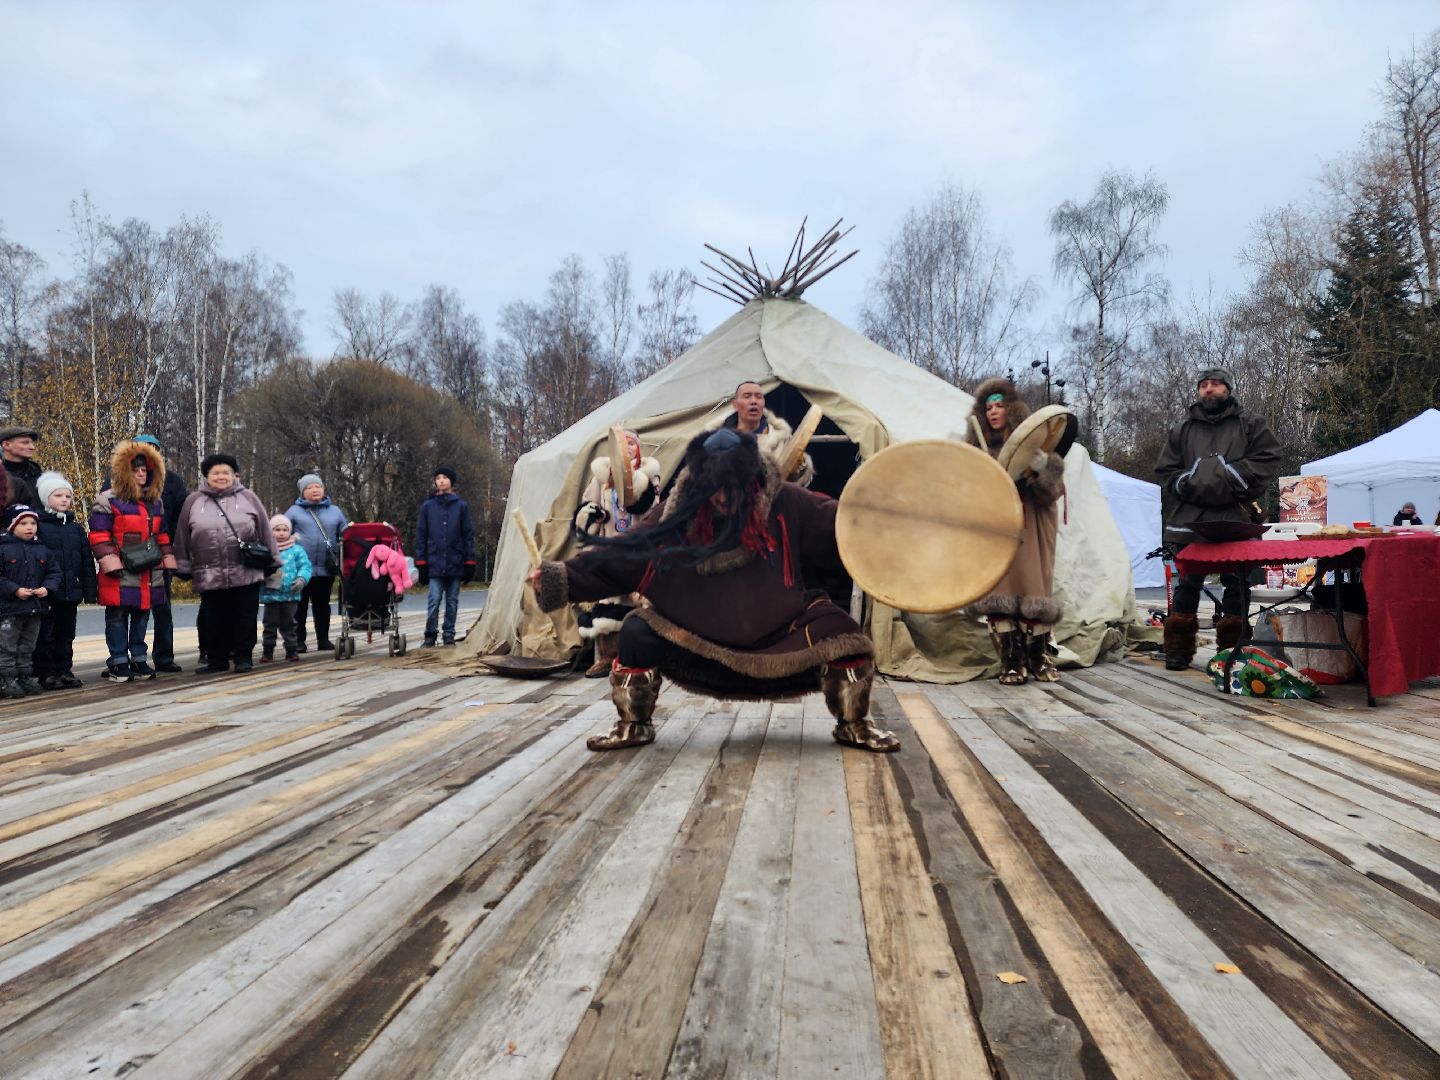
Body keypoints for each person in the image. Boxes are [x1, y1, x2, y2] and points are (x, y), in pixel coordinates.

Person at [531, 427, 898, 753]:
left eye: (733, 484)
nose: (724, 496)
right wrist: (558, 577)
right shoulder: (675, 516)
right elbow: (618, 557)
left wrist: (895, 527)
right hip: (700, 642)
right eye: (715, 487)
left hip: (781, 635)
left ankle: (854, 724)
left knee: (845, 634)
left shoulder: (786, 501)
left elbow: (844, 526)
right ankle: (634, 723)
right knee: (637, 631)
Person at [1155, 368, 1282, 670]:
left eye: (1215, 384)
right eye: (1203, 385)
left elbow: (1268, 457)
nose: (1208, 390)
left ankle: (1233, 651)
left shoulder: (1250, 424)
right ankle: (1178, 650)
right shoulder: (1182, 429)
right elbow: (1166, 471)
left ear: (1227, 388)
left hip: (1235, 514)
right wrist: (1191, 481)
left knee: (1237, 584)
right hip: (1192, 517)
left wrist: (1229, 476)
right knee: (1188, 583)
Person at [962, 377, 1066, 684]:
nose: (994, 412)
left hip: (1031, 526)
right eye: (989, 407)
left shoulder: (1039, 449)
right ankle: (1011, 662)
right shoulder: (975, 452)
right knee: (1000, 594)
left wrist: (1042, 468)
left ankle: (1038, 658)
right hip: (996, 531)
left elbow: (1053, 492)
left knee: (1034, 591)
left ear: (1013, 409)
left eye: (1001, 406)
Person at [172, 453, 278, 675]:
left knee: (244, 616)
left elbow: (265, 530)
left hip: (245, 571)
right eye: (215, 473)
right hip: (209, 573)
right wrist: (181, 564)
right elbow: (182, 533)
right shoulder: (194, 501)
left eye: (225, 472)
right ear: (207, 476)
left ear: (234, 475)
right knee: (213, 618)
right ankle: (216, 659)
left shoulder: (248, 497)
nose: (221, 476)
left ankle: (243, 658)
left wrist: (272, 560)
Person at [574, 429, 664, 676]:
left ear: (639, 448)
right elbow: (586, 509)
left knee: (640, 602)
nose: (629, 449)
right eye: (623, 446)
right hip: (610, 545)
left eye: (633, 445)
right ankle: (607, 657)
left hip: (638, 546)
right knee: (608, 602)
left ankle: (642, 657)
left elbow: (650, 508)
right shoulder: (601, 478)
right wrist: (596, 514)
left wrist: (631, 481)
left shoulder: (649, 476)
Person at [88, 440, 177, 682]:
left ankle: (138, 658)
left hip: (149, 569)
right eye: (136, 470)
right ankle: (118, 661)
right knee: (117, 615)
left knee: (142, 615)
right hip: (121, 568)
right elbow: (98, 535)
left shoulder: (154, 502)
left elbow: (162, 534)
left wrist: (168, 559)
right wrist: (111, 562)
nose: (141, 474)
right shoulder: (108, 499)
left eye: (145, 471)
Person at [132, 434, 190, 673]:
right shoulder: (118, 478)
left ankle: (164, 656)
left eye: (152, 449)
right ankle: (124, 659)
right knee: (127, 608)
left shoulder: (173, 482)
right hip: (129, 553)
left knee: (162, 606)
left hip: (160, 550)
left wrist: (172, 550)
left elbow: (181, 517)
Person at [35, 471, 97, 690]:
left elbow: (86, 560)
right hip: (49, 592)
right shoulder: (39, 527)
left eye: (67, 496)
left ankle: (65, 669)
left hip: (71, 591)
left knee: (66, 633)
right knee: (46, 634)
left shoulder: (75, 528)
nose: (64, 500)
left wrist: (90, 590)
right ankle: (47, 673)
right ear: (45, 498)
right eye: (58, 495)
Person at [0, 504, 60, 697]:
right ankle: (7, 679)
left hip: (35, 607)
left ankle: (25, 676)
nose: (29, 527)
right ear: (11, 526)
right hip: (9, 610)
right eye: (23, 523)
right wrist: (15, 590)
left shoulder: (41, 549)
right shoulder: (3, 548)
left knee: (28, 645)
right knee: (7, 646)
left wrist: (47, 588)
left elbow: (54, 572)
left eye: (33, 523)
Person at [704, 380, 814, 485]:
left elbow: (798, 480)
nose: (753, 401)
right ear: (735, 405)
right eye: (747, 396)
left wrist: (799, 468)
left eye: (758, 397)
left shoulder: (781, 437)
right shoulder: (716, 441)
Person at [285, 473, 348, 654]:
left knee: (322, 605)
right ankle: (299, 641)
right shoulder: (293, 512)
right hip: (300, 569)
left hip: (326, 568)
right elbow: (281, 533)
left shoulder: (335, 511)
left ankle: (323, 639)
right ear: (303, 492)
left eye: (317, 486)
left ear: (323, 489)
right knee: (299, 606)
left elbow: (344, 535)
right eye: (309, 488)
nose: (314, 490)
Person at [415, 466, 476, 647]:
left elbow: (468, 535)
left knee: (452, 601)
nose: (441, 480)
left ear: (451, 481)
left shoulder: (461, 507)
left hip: (455, 562)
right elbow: (421, 534)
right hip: (434, 562)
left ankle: (448, 633)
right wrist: (421, 562)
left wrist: (469, 561)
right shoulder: (428, 506)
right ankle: (430, 634)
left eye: (445, 477)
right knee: (433, 599)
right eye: (438, 477)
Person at [260, 515, 312, 663]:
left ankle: (291, 650)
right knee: (269, 624)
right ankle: (267, 651)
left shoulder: (297, 550)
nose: (281, 533)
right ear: (270, 531)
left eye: (285, 530)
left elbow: (305, 566)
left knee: (289, 624)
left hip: (290, 593)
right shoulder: (266, 549)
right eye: (277, 530)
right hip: (271, 594)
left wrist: (302, 579)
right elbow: (259, 567)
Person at [0, 425, 43, 509]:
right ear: (6, 445)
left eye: (32, 443)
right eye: (25, 443)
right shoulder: (1, 477)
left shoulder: (40, 476)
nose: (32, 447)